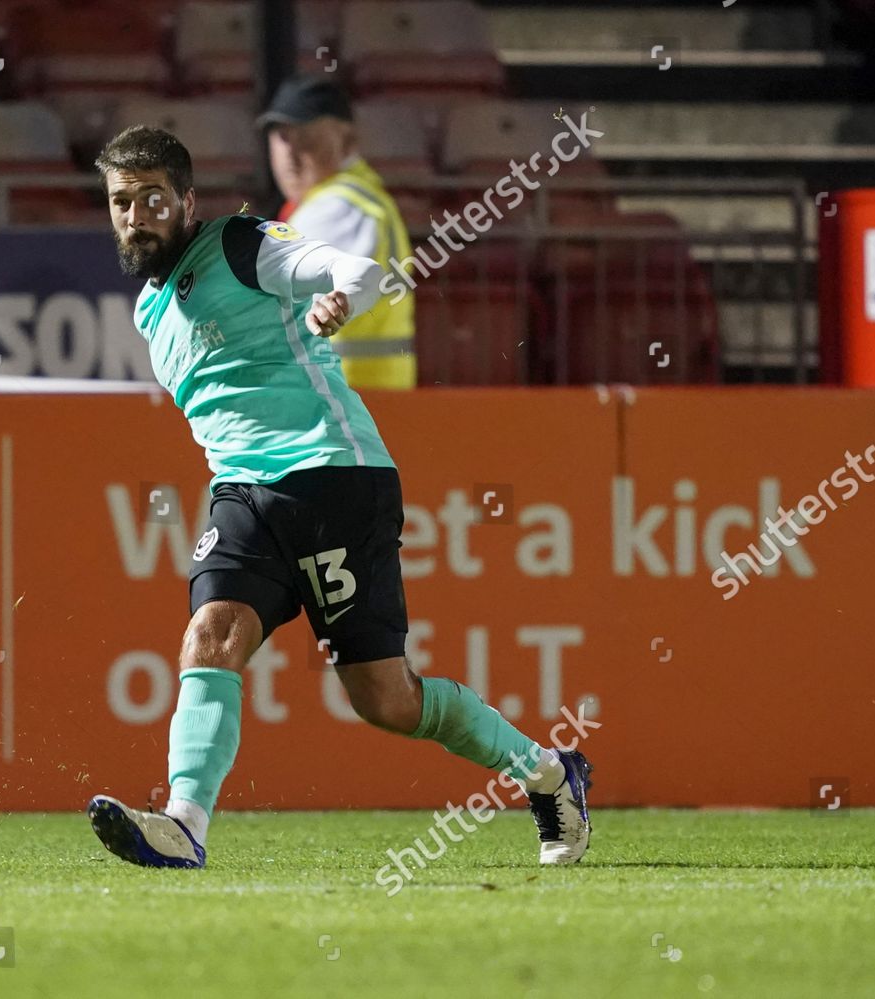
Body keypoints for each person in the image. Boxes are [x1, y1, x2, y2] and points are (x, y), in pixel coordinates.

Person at [85, 125, 591, 870]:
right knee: (210, 633)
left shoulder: (239, 244)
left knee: (385, 699)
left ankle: (548, 772)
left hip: (332, 476)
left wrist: (342, 297)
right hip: (245, 494)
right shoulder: (150, 308)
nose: (135, 215)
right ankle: (183, 825)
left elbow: (355, 265)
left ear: (187, 201)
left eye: (152, 198)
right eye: (121, 202)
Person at [259, 76, 415, 389]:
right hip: (359, 398)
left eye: (306, 136)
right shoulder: (357, 198)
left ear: (347, 141)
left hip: (346, 401)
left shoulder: (338, 206)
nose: (290, 151)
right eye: (281, 135)